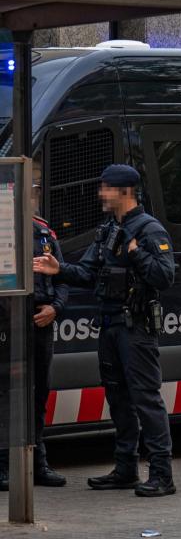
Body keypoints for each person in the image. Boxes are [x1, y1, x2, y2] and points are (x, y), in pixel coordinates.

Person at [33, 164, 176, 497]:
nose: (100, 193)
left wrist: (137, 253)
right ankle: (125, 469)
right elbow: (86, 273)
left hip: (135, 327)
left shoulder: (149, 229)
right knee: (118, 398)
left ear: (124, 191)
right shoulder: (109, 230)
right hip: (110, 326)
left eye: (106, 187)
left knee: (145, 398)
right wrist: (58, 269)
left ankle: (162, 474)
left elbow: (164, 276)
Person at [0, 168, 68, 491]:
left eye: (35, 190)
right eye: (29, 190)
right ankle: (3, 464)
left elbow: (61, 277)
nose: (33, 196)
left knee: (39, 394)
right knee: (7, 395)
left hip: (41, 323)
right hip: (7, 325)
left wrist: (56, 308)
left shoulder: (44, 232)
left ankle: (38, 462)